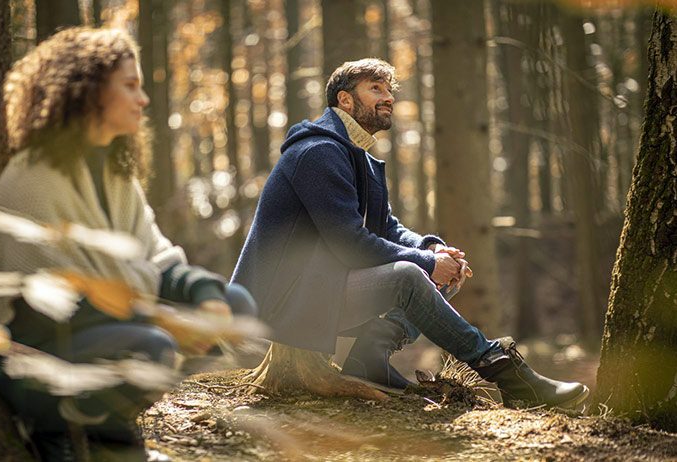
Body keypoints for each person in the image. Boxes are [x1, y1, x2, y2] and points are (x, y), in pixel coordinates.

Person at [231, 58, 588, 408]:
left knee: (441, 272)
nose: (387, 97)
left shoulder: (359, 156)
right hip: (283, 299)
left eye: (389, 90)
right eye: (375, 88)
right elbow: (349, 243)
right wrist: (425, 262)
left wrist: (432, 249)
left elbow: (387, 226)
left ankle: (369, 359)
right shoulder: (317, 152)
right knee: (409, 275)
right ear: (345, 99)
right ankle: (506, 372)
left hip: (319, 287)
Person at [0, 27, 256, 460]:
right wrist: (166, 320)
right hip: (34, 356)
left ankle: (110, 434)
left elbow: (157, 257)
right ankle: (56, 432)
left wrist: (205, 298)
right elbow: (58, 306)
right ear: (87, 91)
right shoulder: (34, 176)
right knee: (153, 348)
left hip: (109, 331)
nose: (142, 100)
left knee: (233, 299)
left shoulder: (115, 173)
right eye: (129, 85)